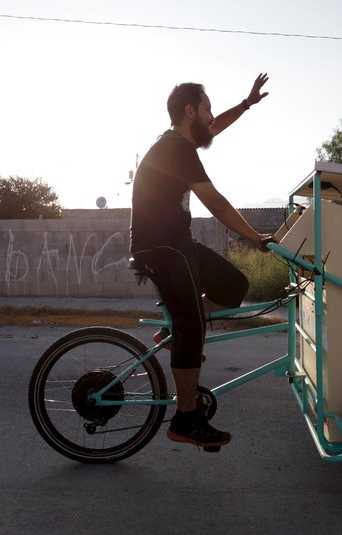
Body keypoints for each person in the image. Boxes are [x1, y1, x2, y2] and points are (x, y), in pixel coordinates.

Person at [129, 73, 273, 449]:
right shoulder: (176, 148)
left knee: (234, 286)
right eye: (207, 108)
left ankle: (177, 329)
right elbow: (217, 203)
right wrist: (255, 238)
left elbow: (214, 128)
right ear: (190, 110)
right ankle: (186, 419)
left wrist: (245, 104)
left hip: (176, 242)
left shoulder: (180, 143)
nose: (211, 116)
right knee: (193, 324)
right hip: (161, 247)